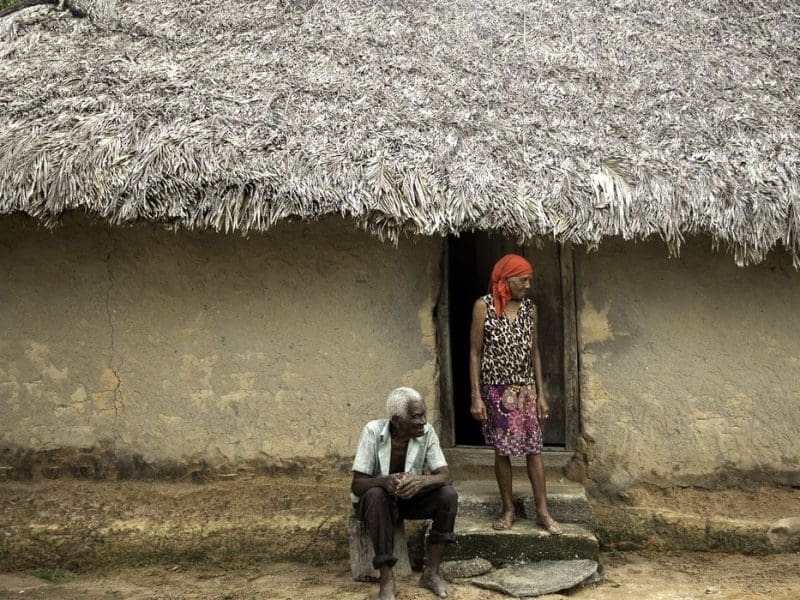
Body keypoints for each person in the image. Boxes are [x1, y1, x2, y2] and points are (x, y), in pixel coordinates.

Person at [469, 254, 563, 535]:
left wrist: (541, 394)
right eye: (523, 279)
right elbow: (475, 353)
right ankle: (508, 508)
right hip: (496, 390)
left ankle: (542, 512)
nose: (528, 284)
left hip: (525, 389)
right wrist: (475, 395)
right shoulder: (482, 307)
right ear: (506, 279)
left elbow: (534, 352)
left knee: (534, 449)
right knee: (502, 450)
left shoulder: (529, 309)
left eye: (529, 279)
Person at [351, 387, 458, 600]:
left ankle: (431, 573)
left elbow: (445, 476)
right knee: (375, 495)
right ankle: (387, 581)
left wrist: (422, 481)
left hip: (409, 500)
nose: (423, 421)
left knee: (448, 495)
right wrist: (384, 481)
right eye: (417, 417)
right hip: (376, 504)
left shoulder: (427, 432)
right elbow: (357, 485)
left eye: (424, 414)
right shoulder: (373, 431)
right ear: (398, 421)